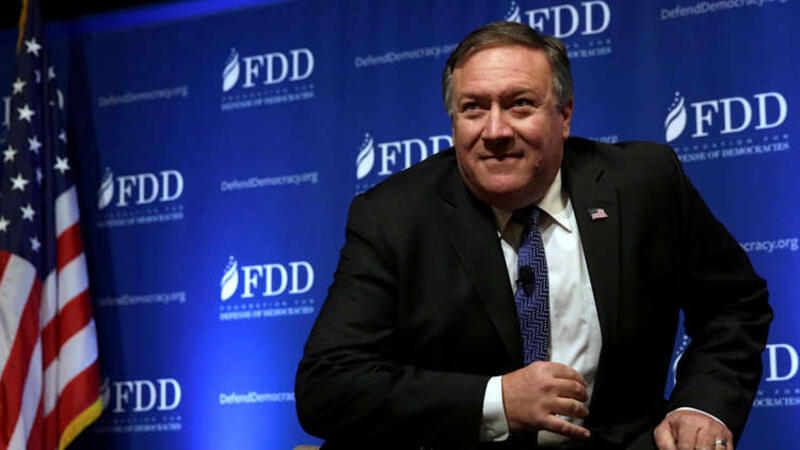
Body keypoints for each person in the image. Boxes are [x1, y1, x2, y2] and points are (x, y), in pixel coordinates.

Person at [295, 21, 772, 449]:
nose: (495, 130)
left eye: (519, 104)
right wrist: (497, 400)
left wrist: (702, 406)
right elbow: (328, 386)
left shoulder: (644, 184)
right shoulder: (394, 217)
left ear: (564, 115)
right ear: (453, 122)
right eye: (473, 108)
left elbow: (735, 304)